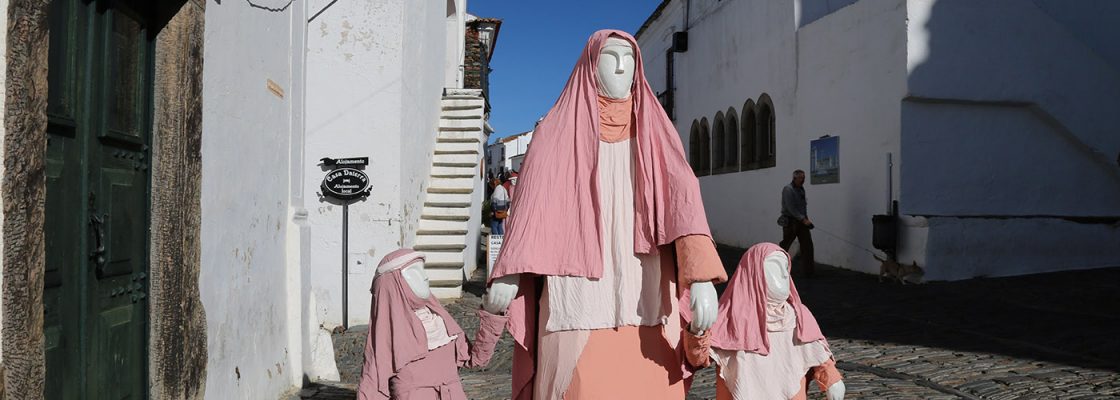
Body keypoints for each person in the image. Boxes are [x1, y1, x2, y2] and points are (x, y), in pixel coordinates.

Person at [780, 170, 815, 277]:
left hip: (802, 222)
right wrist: (804, 220)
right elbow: (791, 208)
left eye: (803, 177)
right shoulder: (788, 189)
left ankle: (808, 272)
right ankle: (777, 268)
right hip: (790, 222)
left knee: (808, 246)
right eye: (800, 178)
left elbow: (803, 207)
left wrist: (806, 220)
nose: (803, 180)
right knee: (785, 246)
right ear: (794, 178)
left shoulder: (801, 189)